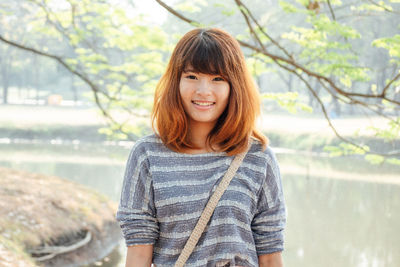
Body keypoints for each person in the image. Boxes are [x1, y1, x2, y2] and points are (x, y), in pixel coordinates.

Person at [116, 28, 286, 267]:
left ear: (234, 85)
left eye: (218, 79)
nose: (204, 90)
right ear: (176, 81)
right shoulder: (147, 155)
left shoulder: (258, 157)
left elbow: (270, 254)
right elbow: (138, 252)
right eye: (192, 76)